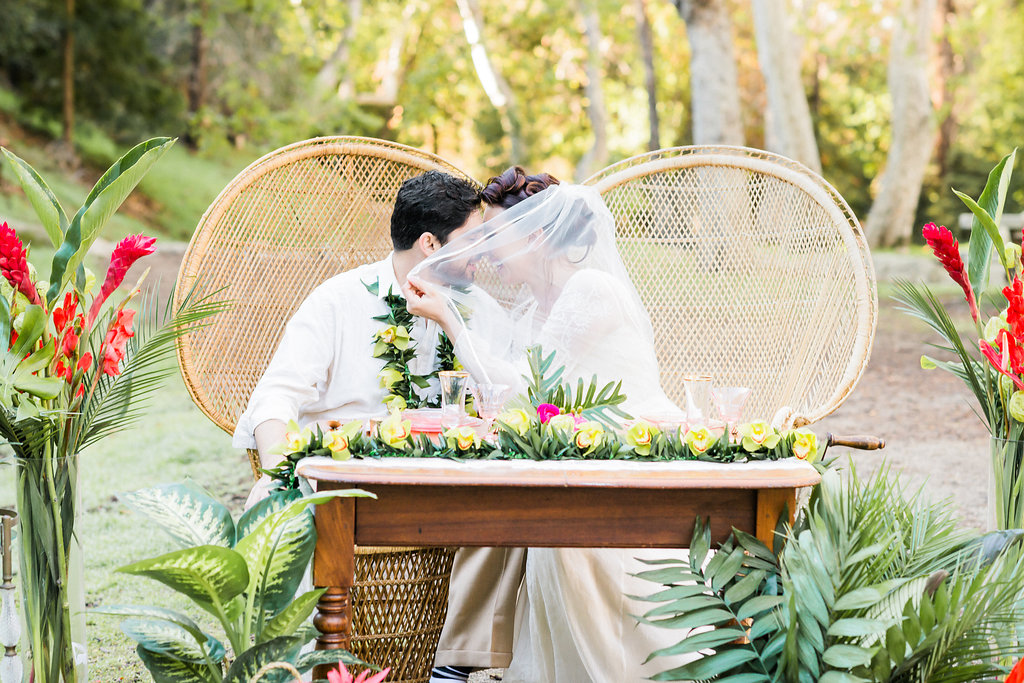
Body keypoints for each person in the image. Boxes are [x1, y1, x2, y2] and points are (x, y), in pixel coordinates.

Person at [232, 170, 520, 683]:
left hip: (444, 484)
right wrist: (279, 477)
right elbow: (276, 397)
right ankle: (291, 661)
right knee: (271, 504)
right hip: (346, 480)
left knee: (513, 501)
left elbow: (513, 402)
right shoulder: (338, 300)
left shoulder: (480, 311)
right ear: (430, 242)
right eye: (472, 241)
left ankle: (455, 664)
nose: (484, 255)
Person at [404, 167, 690, 682]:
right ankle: (462, 661)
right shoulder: (532, 308)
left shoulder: (591, 290)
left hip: (636, 460)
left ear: (536, 235)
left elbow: (529, 389)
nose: (486, 249)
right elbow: (514, 404)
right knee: (510, 501)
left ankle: (458, 663)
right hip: (575, 458)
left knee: (547, 529)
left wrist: (451, 321)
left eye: (495, 234)